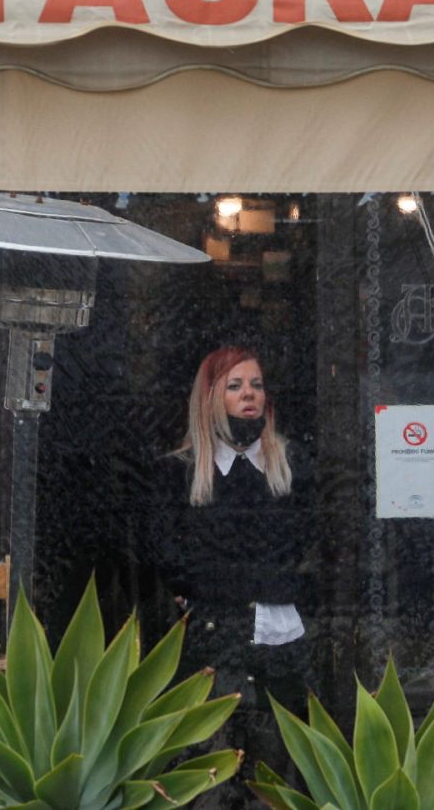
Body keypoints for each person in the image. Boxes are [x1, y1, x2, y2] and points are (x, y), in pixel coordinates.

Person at [150, 344, 314, 807]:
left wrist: (219, 581)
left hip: (281, 648)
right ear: (211, 396)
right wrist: (253, 581)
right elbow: (170, 564)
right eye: (236, 385)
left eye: (257, 385)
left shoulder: (293, 468)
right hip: (211, 647)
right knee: (209, 777)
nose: (250, 395)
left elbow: (308, 552)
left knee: (278, 776)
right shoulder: (180, 474)